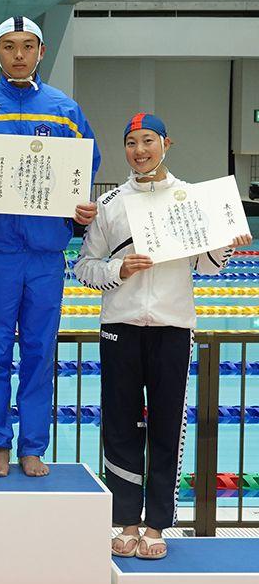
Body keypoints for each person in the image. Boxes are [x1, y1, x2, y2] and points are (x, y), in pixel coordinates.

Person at [75, 113, 250, 559]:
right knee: (120, 427)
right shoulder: (111, 203)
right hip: (121, 327)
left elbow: (210, 266)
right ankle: (125, 520)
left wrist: (229, 241)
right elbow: (83, 268)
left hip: (173, 327)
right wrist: (118, 269)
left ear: (166, 143)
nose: (139, 150)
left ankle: (156, 525)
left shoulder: (191, 199)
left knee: (168, 425)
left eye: (148, 140)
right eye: (131, 142)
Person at [0, 15, 101, 478]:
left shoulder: (64, 110)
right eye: (9, 46)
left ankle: (32, 443)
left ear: (41, 51)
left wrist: (79, 208)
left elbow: (85, 169)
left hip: (45, 256)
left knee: (39, 351)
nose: (18, 54)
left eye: (27, 46)